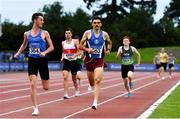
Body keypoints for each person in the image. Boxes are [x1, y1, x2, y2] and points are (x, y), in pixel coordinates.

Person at [14, 13, 54, 116]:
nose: (43, 21)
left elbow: (52, 47)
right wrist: (18, 53)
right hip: (32, 60)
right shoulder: (27, 34)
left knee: (46, 87)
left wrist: (44, 52)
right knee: (32, 84)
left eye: (43, 20)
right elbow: (24, 44)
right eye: (41, 20)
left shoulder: (45, 33)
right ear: (35, 20)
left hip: (42, 60)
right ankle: (35, 108)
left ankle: (42, 78)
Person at [79, 16, 112, 110]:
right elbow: (79, 45)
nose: (96, 24)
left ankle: (95, 102)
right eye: (95, 23)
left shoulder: (104, 34)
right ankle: (90, 85)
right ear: (92, 24)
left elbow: (109, 42)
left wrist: (109, 49)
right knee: (92, 82)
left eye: (98, 23)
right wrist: (87, 49)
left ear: (101, 24)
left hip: (99, 60)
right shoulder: (87, 33)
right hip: (89, 60)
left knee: (97, 80)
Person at [61, 28, 80, 99]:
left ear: (71, 34)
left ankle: (77, 89)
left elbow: (79, 51)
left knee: (74, 79)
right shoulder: (63, 42)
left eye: (69, 33)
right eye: (66, 33)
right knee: (65, 77)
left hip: (74, 62)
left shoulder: (75, 41)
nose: (67, 35)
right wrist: (62, 57)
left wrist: (74, 55)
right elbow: (63, 51)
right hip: (66, 61)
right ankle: (65, 94)